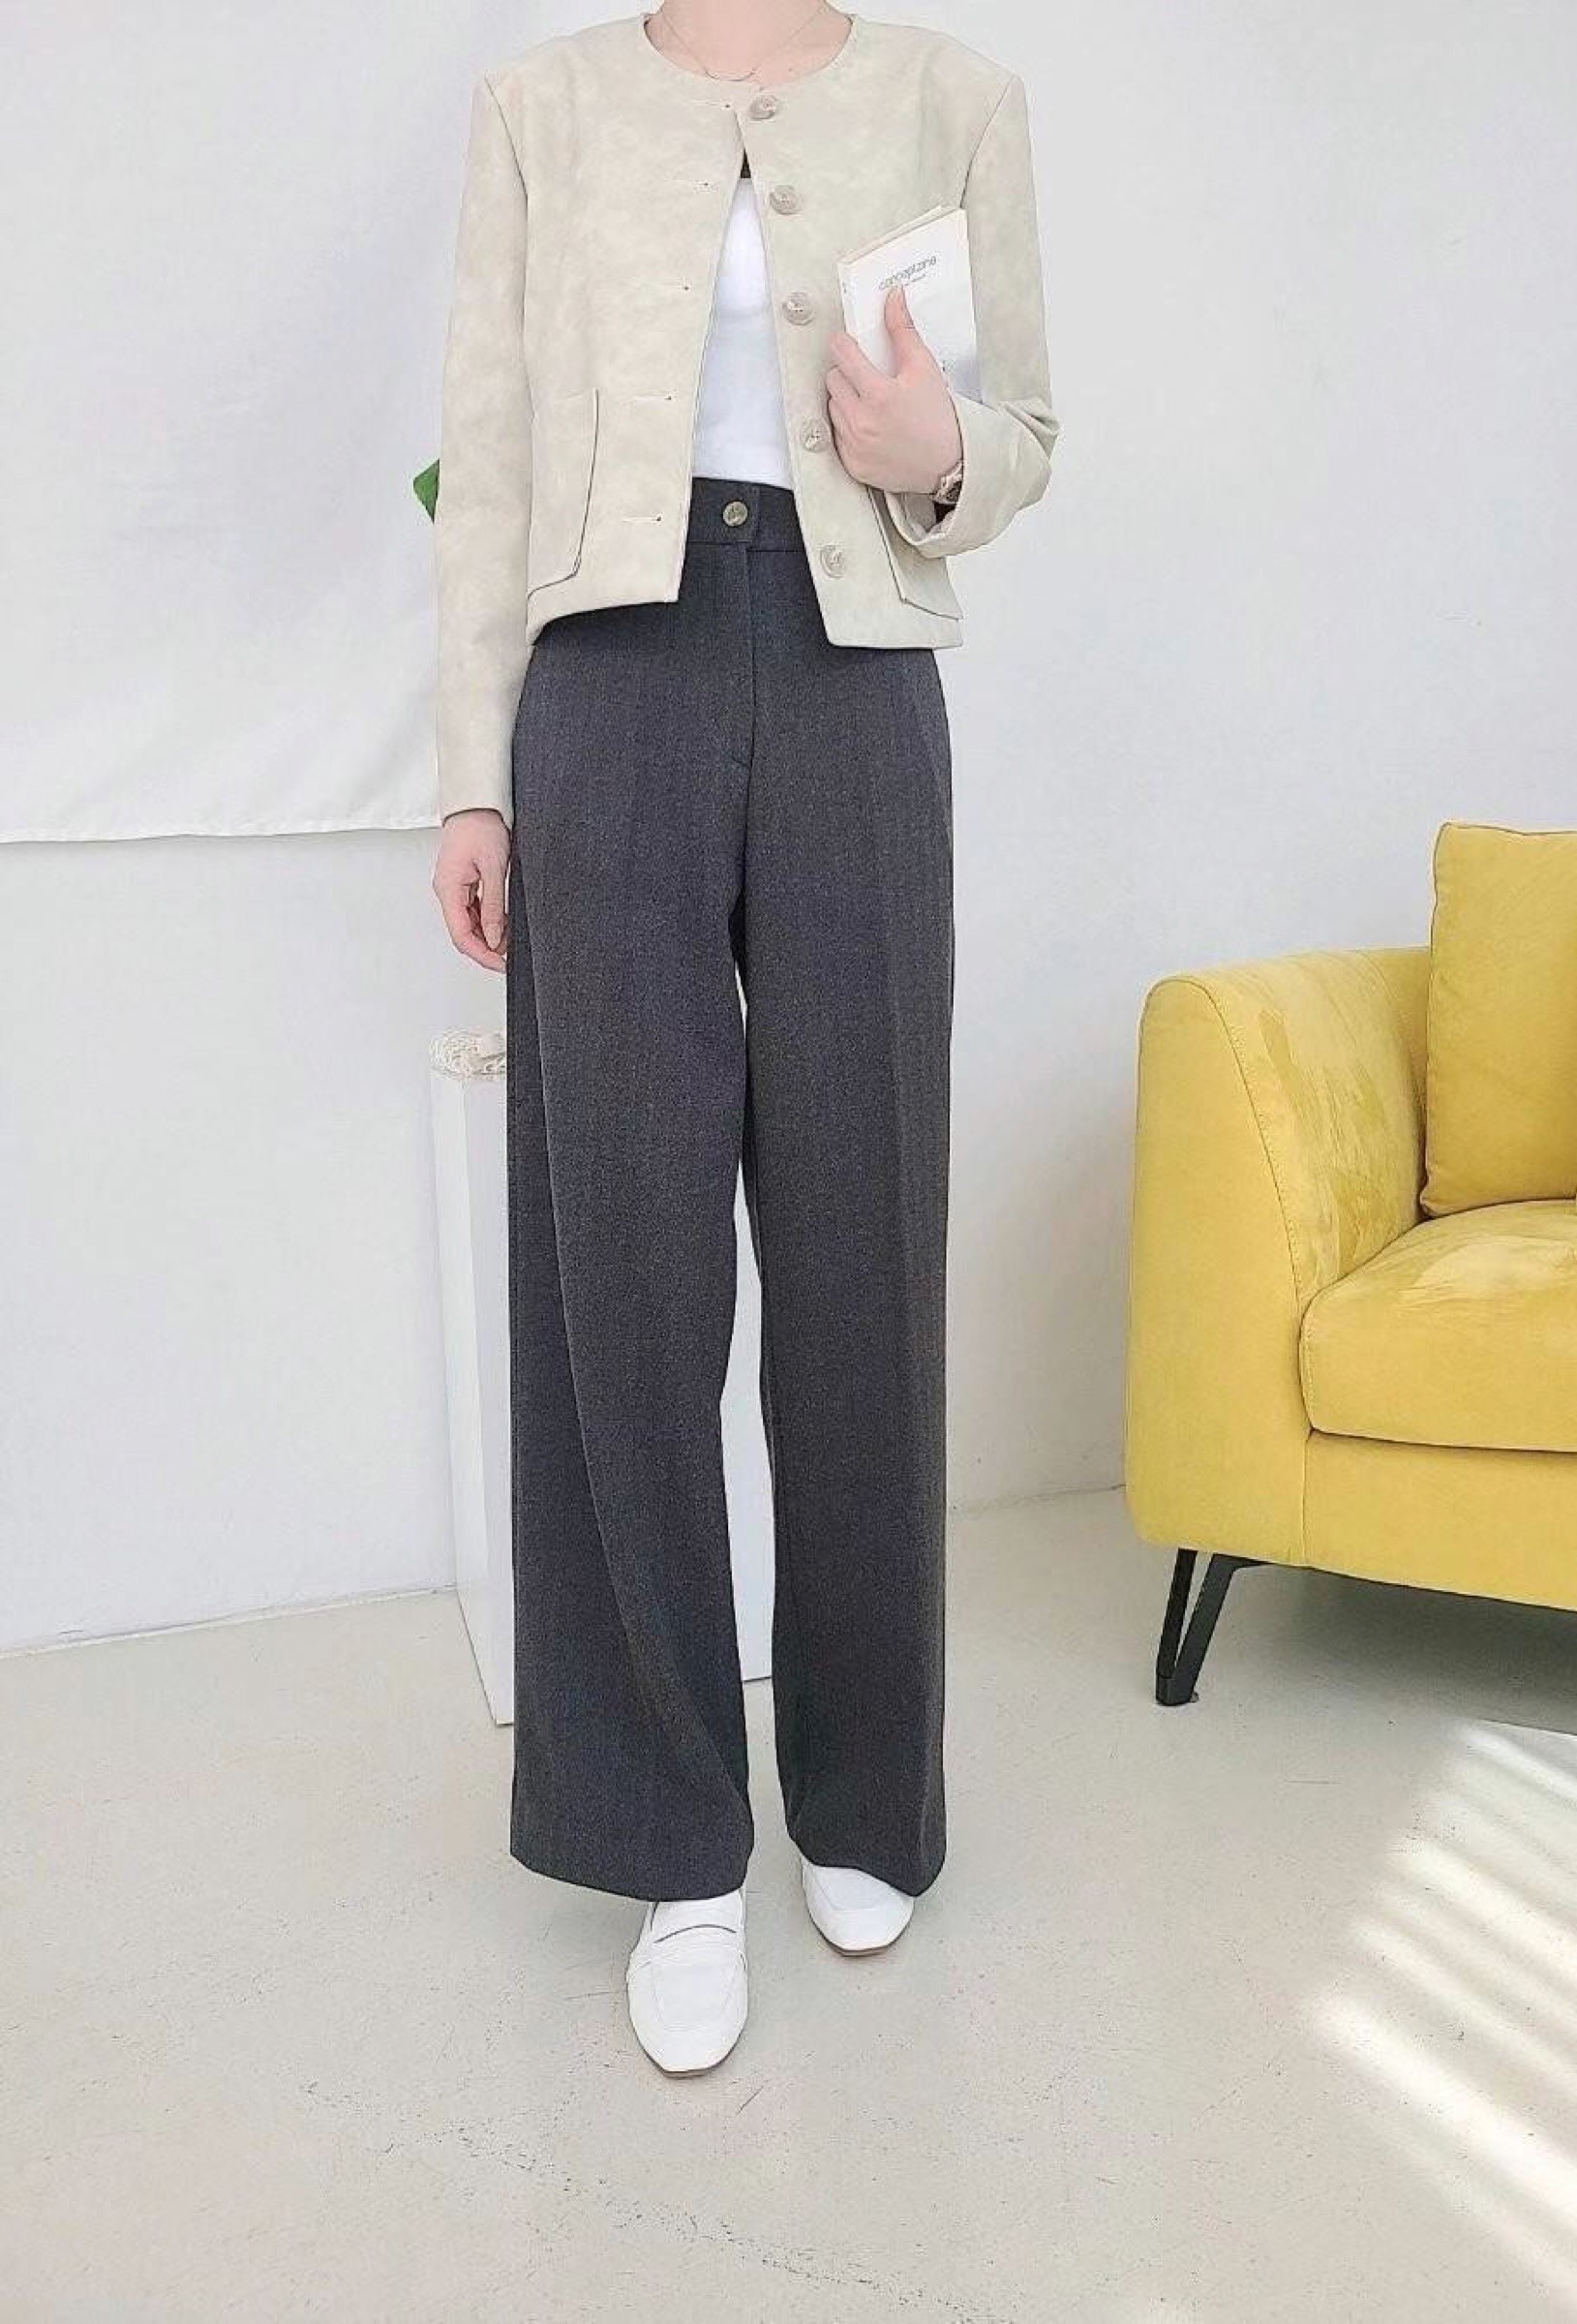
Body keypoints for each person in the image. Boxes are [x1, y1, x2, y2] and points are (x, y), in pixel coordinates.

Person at [429, 0, 1057, 2075]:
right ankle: (670, 1839)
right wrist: (472, 779)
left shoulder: (955, 99)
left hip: (861, 675)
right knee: (621, 1259)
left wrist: (937, 452)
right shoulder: (541, 108)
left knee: (864, 1240)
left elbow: (1026, 432)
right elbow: (490, 458)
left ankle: (865, 1800)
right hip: (610, 683)